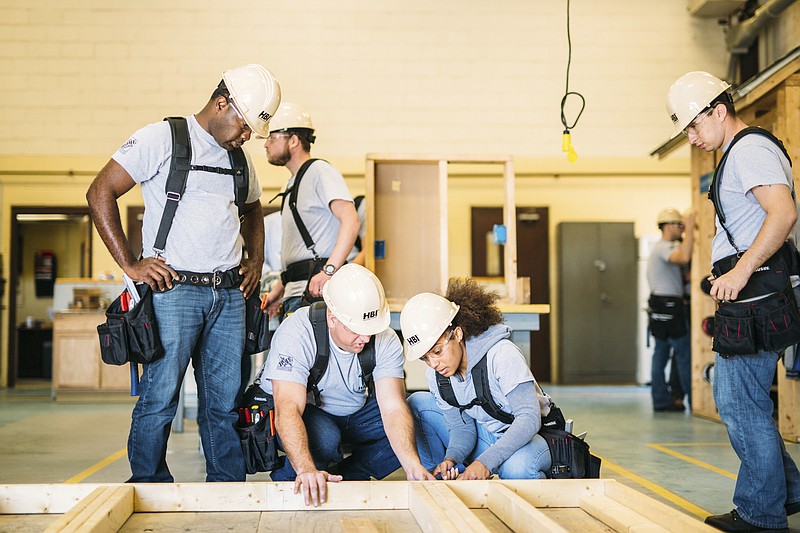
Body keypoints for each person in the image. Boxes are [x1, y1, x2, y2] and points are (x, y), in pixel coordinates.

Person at [86, 64, 281, 483]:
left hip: (228, 296)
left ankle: (226, 490)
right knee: (159, 397)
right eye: (244, 126)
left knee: (223, 404)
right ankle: (150, 485)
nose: (247, 137)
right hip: (173, 291)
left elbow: (252, 211)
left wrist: (255, 260)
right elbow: (100, 190)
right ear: (221, 103)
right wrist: (129, 264)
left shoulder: (240, 159)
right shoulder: (164, 138)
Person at [666, 71, 800, 532]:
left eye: (695, 125)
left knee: (738, 402)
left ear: (719, 111)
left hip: (757, 293)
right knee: (744, 401)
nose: (691, 135)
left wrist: (740, 270)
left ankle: (762, 514)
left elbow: (782, 214)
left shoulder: (750, 151)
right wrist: (725, 266)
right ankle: (789, 491)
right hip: (752, 291)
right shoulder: (741, 152)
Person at [258, 264, 434, 506]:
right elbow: (287, 409)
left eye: (371, 330)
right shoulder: (297, 332)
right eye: (358, 330)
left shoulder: (383, 338)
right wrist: (307, 468)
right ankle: (297, 480)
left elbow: (393, 408)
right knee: (325, 439)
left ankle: (349, 477)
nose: (366, 339)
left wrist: (413, 466)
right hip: (314, 415)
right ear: (332, 319)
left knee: (415, 419)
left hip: (356, 414)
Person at [401, 278, 553, 480]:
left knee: (517, 469)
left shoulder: (502, 355)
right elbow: (461, 428)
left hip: (530, 438)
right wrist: (451, 459)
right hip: (488, 436)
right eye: (425, 358)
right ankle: (440, 479)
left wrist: (485, 462)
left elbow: (529, 419)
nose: (433, 363)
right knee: (417, 404)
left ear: (457, 333)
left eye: (437, 351)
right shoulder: (438, 377)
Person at [262, 103, 360, 320]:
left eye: (272, 137)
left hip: (316, 293)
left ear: (294, 140)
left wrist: (329, 271)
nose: (266, 144)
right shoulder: (290, 185)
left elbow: (351, 220)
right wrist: (278, 291)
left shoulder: (320, 172)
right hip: (295, 292)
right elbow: (296, 253)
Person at [646, 207, 695, 412]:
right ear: (667, 226)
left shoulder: (660, 247)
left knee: (661, 352)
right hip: (670, 306)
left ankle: (661, 400)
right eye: (679, 225)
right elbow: (683, 258)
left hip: (658, 305)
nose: (681, 229)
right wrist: (691, 228)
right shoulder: (665, 247)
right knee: (684, 355)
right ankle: (696, 402)